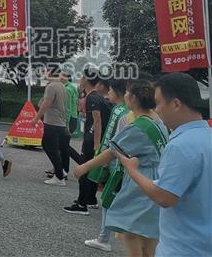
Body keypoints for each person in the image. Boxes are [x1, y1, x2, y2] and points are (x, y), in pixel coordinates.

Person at [114, 73, 211, 257]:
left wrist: (132, 170)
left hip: (182, 248)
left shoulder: (180, 146)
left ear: (175, 104)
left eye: (158, 103)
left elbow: (165, 197)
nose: (156, 109)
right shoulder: (207, 137)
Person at [75, 80, 168, 257]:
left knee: (130, 231)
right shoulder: (157, 121)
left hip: (141, 182)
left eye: (127, 93)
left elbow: (113, 151)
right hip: (156, 179)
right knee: (148, 237)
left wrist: (85, 166)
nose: (125, 95)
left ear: (133, 98)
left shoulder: (138, 127)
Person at [82, 77, 130, 252]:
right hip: (121, 162)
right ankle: (105, 236)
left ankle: (104, 238)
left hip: (117, 163)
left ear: (118, 92)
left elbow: (114, 144)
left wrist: (93, 161)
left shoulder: (120, 112)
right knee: (111, 199)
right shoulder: (124, 110)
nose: (107, 93)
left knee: (109, 199)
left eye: (110, 90)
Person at [64, 69, 112, 214]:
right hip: (95, 138)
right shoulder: (97, 97)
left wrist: (97, 143)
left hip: (92, 140)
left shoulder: (92, 98)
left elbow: (97, 121)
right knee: (91, 170)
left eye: (82, 76)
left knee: (84, 169)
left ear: (86, 79)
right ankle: (90, 199)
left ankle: (81, 204)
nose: (80, 79)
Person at [32, 69, 70, 185]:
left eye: (46, 72)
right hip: (60, 122)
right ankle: (60, 172)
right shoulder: (62, 86)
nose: (44, 74)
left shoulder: (51, 86)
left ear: (50, 74)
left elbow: (46, 103)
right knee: (51, 147)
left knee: (51, 149)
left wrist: (36, 118)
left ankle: (59, 177)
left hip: (52, 122)